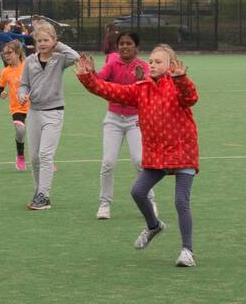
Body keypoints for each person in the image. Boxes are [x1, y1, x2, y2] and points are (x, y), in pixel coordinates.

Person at [76, 44, 200, 267]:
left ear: (171, 65)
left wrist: (181, 78)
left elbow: (190, 97)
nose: (152, 64)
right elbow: (110, 90)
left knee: (181, 201)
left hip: (183, 152)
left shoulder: (177, 86)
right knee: (138, 191)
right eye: (151, 61)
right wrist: (88, 78)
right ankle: (154, 226)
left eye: (158, 62)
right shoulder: (141, 88)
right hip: (157, 155)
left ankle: (187, 251)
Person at [17, 20, 80, 211]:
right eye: (39, 41)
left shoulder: (60, 59)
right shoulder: (30, 61)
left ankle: (43, 196)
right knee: (34, 158)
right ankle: (39, 192)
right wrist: (22, 95)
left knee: (45, 155)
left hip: (54, 112)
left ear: (53, 40)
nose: (43, 44)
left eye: (46, 40)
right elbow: (24, 84)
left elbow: (75, 57)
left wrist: (57, 45)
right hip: (34, 112)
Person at [95, 32, 154, 220]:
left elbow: (151, 87)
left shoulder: (143, 66)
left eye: (129, 43)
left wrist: (142, 79)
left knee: (139, 161)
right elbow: (99, 79)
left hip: (135, 120)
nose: (124, 47)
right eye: (121, 43)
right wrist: (89, 72)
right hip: (113, 119)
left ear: (136, 47)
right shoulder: (112, 64)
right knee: (108, 162)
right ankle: (104, 204)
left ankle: (150, 201)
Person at [0, 40, 29, 171]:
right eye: (5, 54)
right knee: (20, 130)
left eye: (9, 53)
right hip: (17, 107)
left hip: (34, 106)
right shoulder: (5, 71)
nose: (6, 56)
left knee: (39, 133)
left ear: (18, 52)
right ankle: (20, 156)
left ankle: (45, 159)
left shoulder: (28, 65)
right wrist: (1, 93)